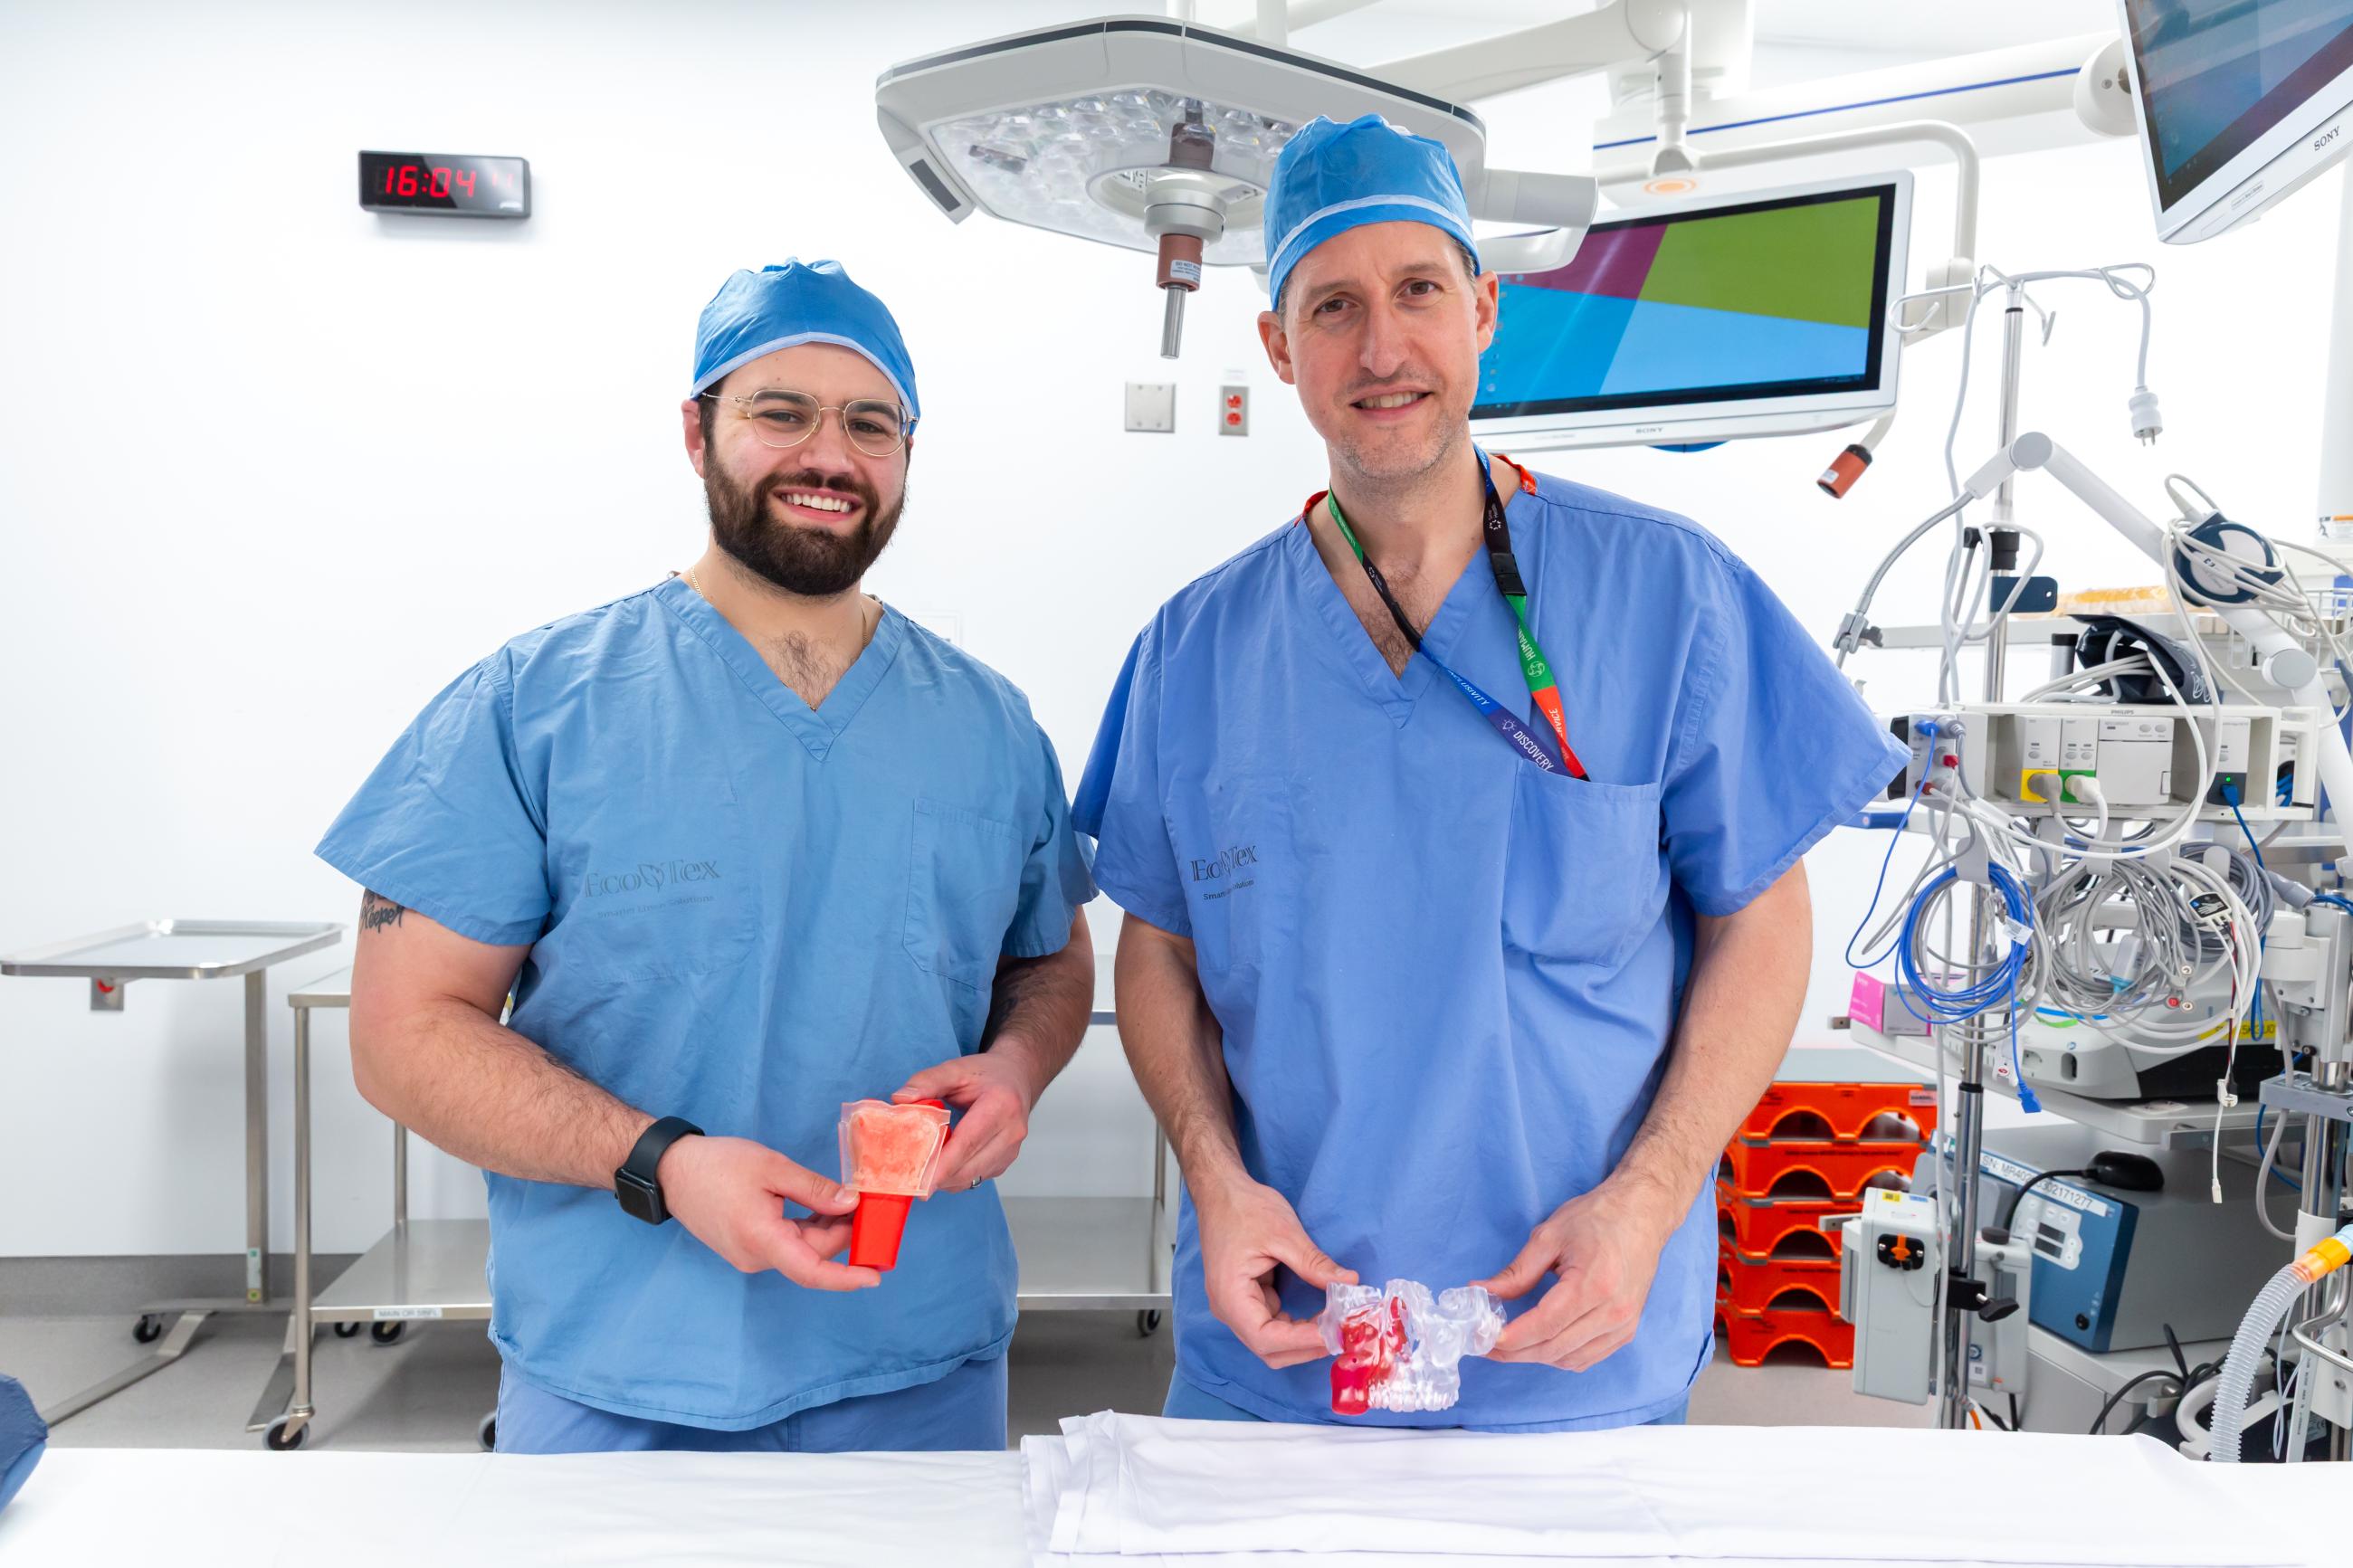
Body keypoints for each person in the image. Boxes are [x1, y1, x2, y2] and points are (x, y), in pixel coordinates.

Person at [1075, 116, 1906, 1430]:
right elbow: (1158, 944)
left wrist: (1648, 1200)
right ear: (1280, 350)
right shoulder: (1195, 651)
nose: (1383, 348)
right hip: (1281, 1357)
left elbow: (1762, 913)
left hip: (1568, 1357)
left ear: (1485, 309)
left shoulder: (1664, 594)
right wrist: (1214, 1175)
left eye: (1419, 292)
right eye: (1333, 307)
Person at [319, 259, 1096, 1454]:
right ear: (698, 432)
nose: (828, 454)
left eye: (869, 423)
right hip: (620, 1370)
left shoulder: (990, 726)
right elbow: (403, 1033)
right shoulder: (533, 709)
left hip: (920, 1366)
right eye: (780, 412)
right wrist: (659, 1162)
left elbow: (1047, 964)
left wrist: (1018, 1068)